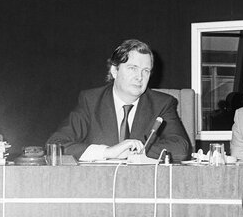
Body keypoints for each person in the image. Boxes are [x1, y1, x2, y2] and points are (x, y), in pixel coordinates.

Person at [48, 39, 191, 162]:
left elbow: (181, 148)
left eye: (145, 71)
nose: (139, 77)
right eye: (132, 68)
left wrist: (136, 150)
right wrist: (107, 152)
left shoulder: (162, 104)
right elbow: (55, 145)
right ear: (114, 71)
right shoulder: (91, 101)